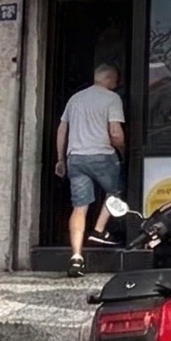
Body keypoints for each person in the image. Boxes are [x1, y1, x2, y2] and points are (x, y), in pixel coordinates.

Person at [54, 63, 125, 276]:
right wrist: (124, 151)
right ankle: (99, 231)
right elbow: (116, 132)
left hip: (75, 158)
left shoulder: (75, 99)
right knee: (114, 192)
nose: (115, 86)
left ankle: (76, 257)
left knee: (79, 206)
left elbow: (62, 130)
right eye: (115, 82)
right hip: (102, 155)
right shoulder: (112, 98)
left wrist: (61, 159)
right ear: (109, 79)